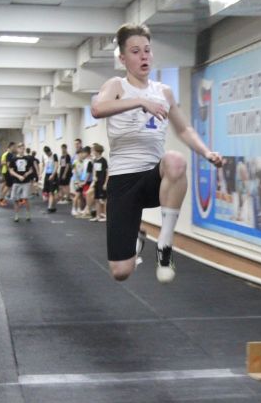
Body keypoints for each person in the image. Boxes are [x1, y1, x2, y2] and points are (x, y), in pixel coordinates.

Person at [92, 23, 223, 283]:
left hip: (154, 177)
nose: (143, 56)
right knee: (121, 272)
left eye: (147, 50)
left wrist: (207, 153)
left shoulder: (163, 92)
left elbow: (184, 128)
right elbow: (98, 109)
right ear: (123, 58)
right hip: (123, 181)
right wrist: (140, 101)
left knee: (175, 160)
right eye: (135, 51)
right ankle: (137, 241)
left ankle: (165, 244)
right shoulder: (116, 85)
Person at [8, 143, 37, 222]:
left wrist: (26, 174)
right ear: (17, 149)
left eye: (23, 148)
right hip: (16, 181)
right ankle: (16, 215)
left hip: (26, 182)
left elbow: (31, 170)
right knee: (16, 199)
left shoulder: (28, 159)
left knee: (25, 198)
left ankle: (28, 214)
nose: (22, 150)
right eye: (20, 148)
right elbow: (11, 170)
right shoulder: (13, 159)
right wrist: (18, 176)